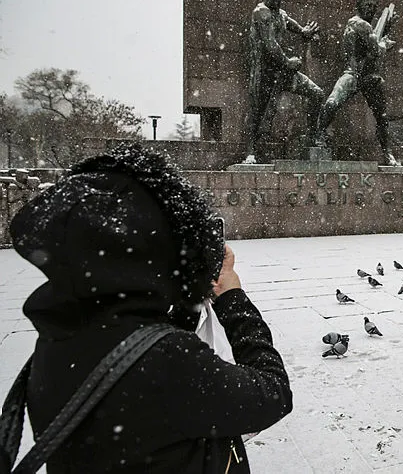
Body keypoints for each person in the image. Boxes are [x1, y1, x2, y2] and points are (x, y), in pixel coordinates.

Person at [9, 143, 292, 473]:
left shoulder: (59, 338)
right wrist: (232, 296)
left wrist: (187, 298)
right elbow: (273, 393)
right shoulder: (168, 361)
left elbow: (141, 347)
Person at [314, 0, 400, 166]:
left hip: (369, 75)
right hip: (353, 73)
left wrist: (384, 30)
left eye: (372, 6)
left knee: (382, 116)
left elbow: (371, 44)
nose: (370, 8)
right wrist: (384, 44)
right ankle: (319, 135)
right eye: (366, 5)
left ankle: (387, 152)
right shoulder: (358, 23)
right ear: (358, 6)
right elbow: (376, 49)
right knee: (332, 102)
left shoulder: (367, 27)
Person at [244, 0, 324, 163]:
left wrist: (303, 31)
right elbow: (270, 43)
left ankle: (312, 137)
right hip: (264, 71)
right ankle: (251, 152)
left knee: (317, 94)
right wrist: (288, 61)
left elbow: (289, 23)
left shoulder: (281, 13)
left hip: (282, 73)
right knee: (258, 111)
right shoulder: (261, 12)